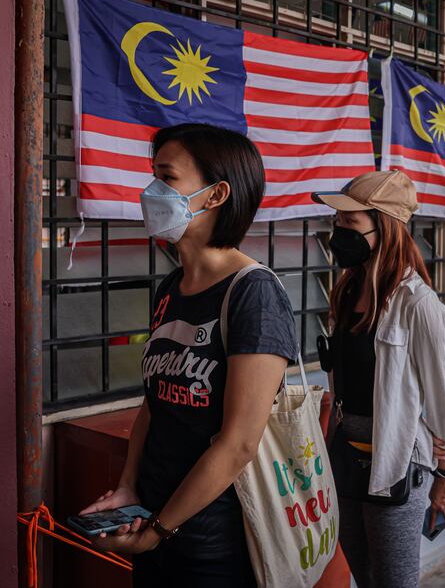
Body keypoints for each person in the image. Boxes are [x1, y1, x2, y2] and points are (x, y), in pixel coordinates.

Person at [80, 124, 297, 587]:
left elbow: (238, 443)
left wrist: (160, 530)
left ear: (215, 194)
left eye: (167, 178)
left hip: (214, 543)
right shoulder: (170, 288)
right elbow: (153, 406)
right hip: (151, 520)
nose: (151, 191)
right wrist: (128, 488)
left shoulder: (254, 294)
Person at [312, 170, 445, 588]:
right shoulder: (345, 291)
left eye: (350, 222)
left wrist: (444, 474)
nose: (339, 231)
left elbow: (442, 399)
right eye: (337, 222)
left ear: (385, 228)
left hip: (396, 466)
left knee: (394, 582)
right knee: (364, 576)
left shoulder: (419, 304)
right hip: (346, 458)